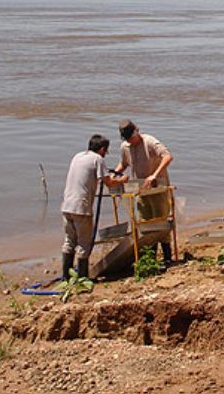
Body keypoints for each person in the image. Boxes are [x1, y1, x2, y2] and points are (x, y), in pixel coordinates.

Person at [60, 134, 128, 280]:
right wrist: (122, 179)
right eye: (106, 151)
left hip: (67, 205)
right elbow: (109, 182)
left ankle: (66, 276)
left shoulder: (77, 156)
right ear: (102, 149)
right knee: (85, 243)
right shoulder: (98, 159)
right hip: (81, 207)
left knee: (69, 241)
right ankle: (83, 277)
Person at [114, 119, 174, 264]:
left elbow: (167, 156)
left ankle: (167, 257)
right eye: (128, 140)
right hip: (140, 189)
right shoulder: (125, 147)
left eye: (132, 138)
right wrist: (115, 174)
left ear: (137, 132)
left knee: (161, 221)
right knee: (145, 222)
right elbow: (124, 163)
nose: (131, 142)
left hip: (158, 187)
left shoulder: (150, 142)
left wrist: (154, 174)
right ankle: (150, 258)